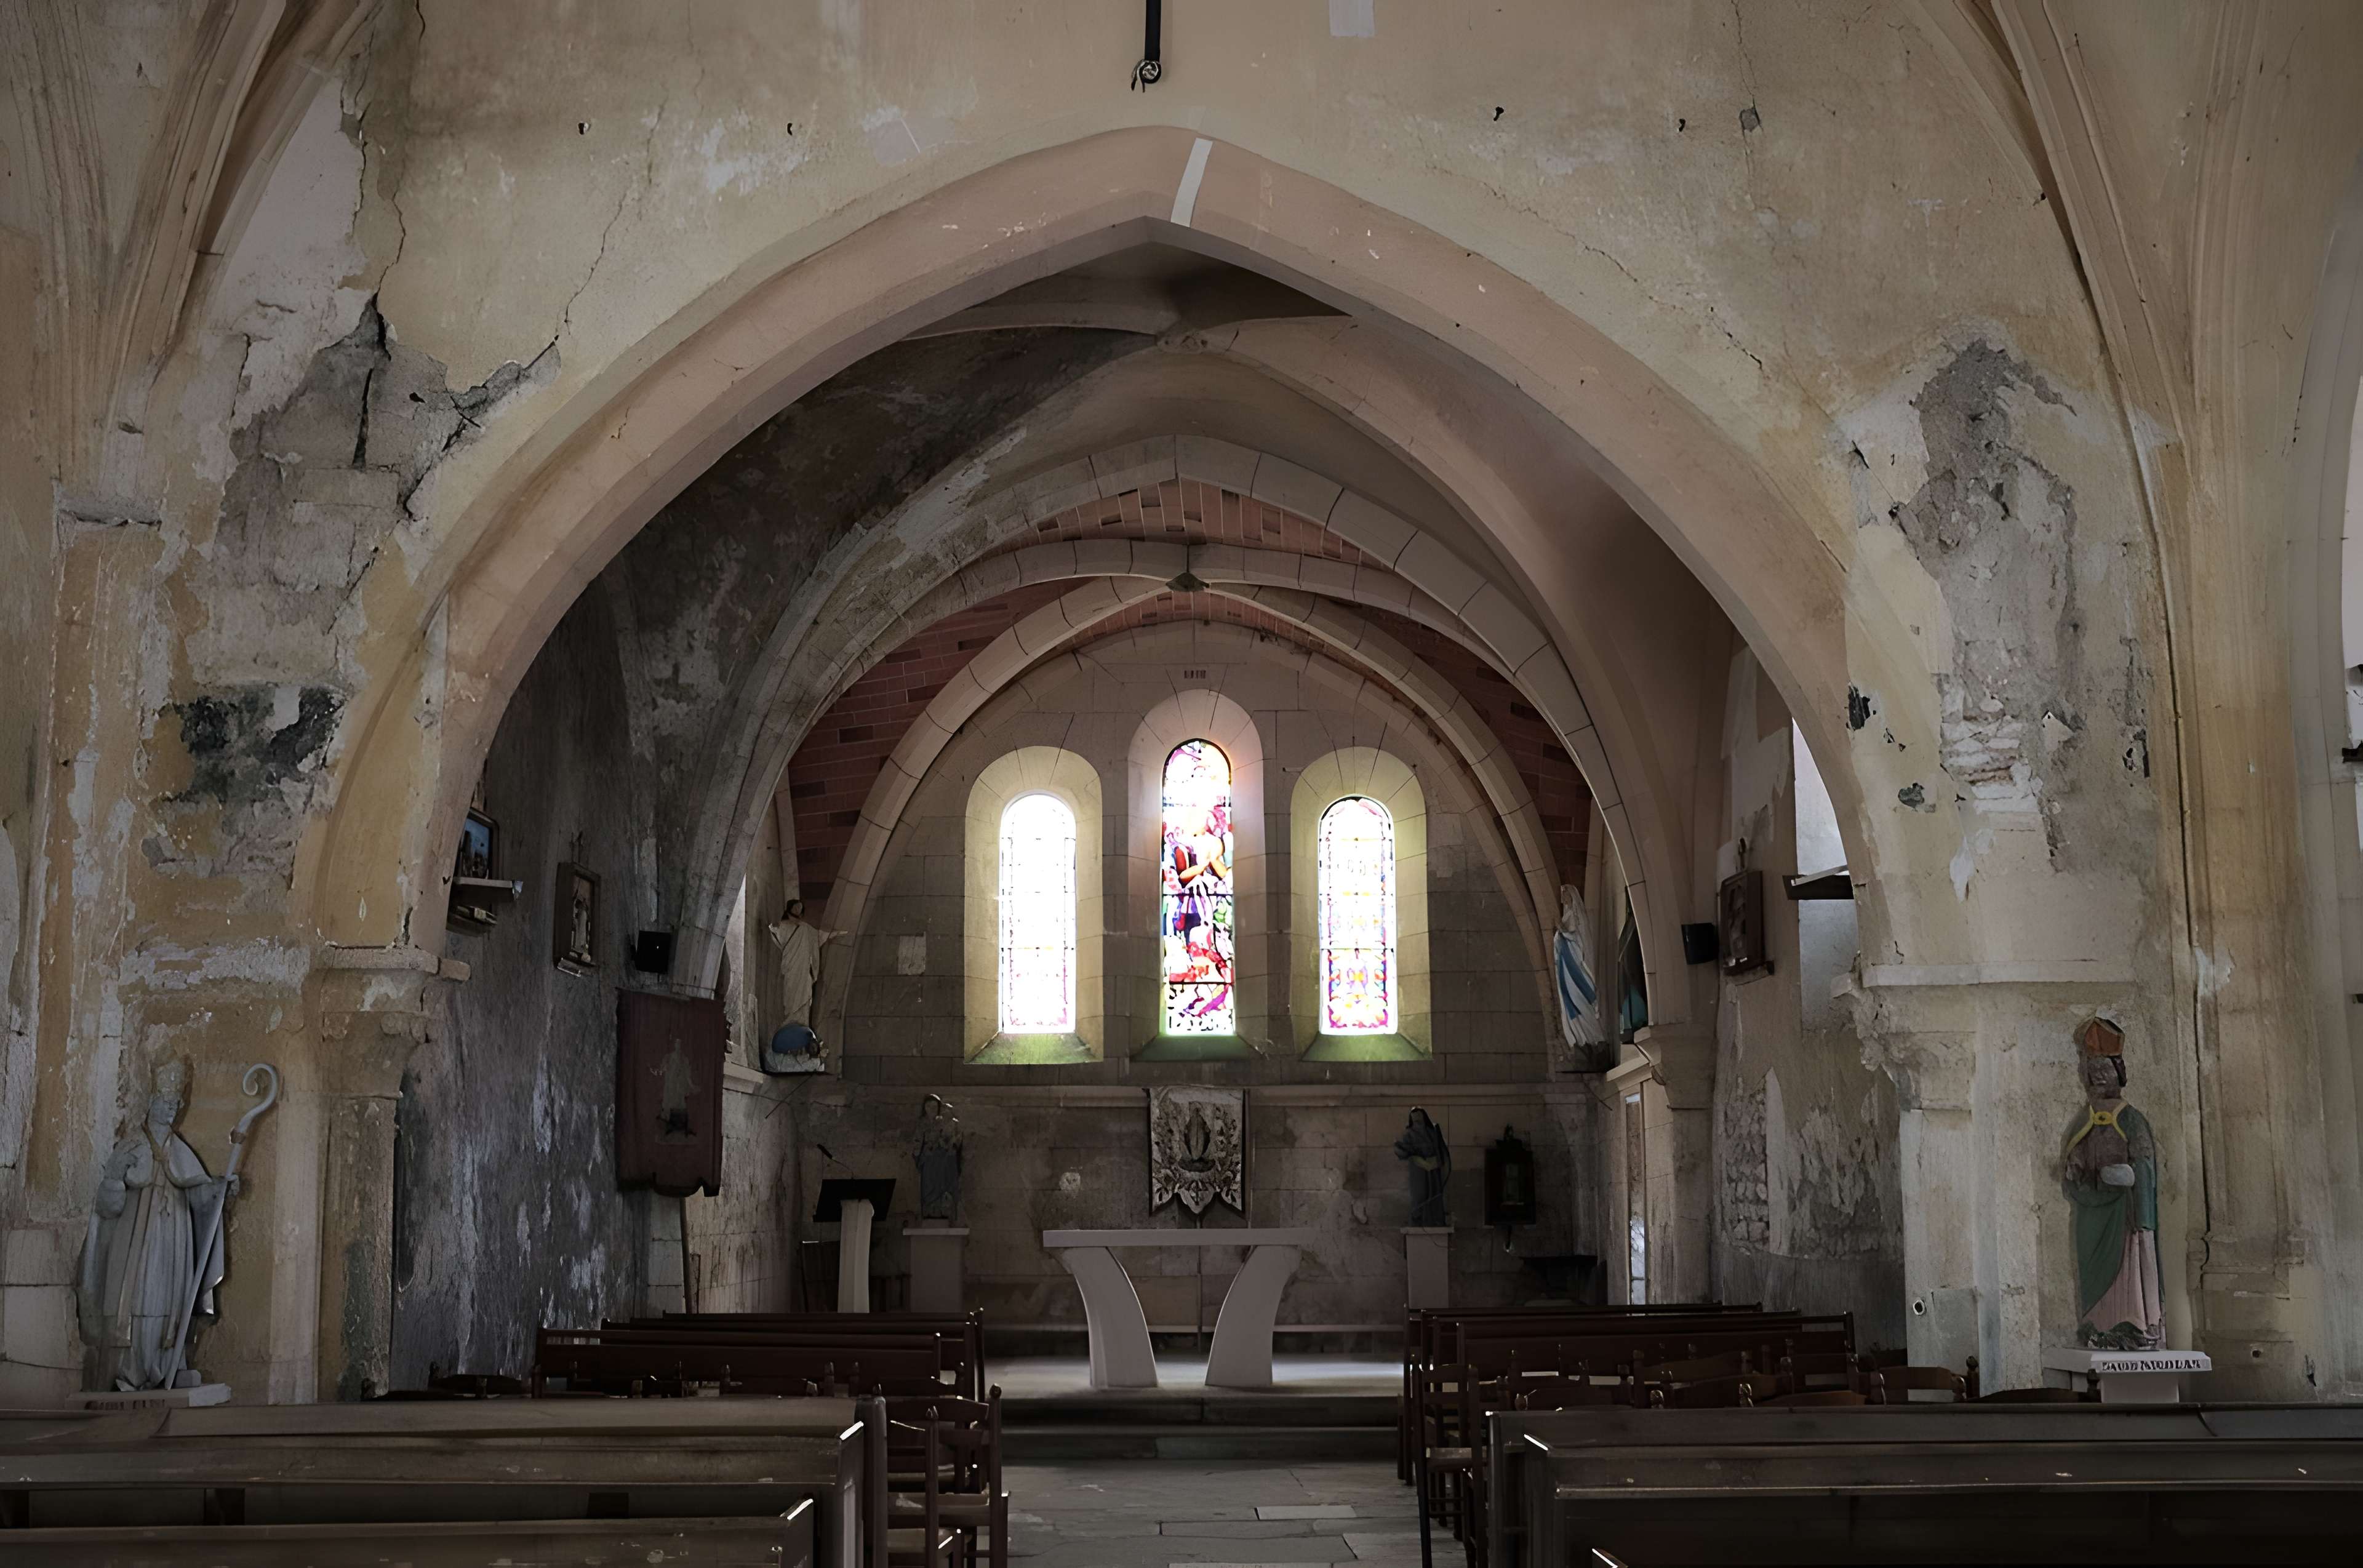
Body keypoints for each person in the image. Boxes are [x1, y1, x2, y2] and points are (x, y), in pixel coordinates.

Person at [78, 1060, 231, 1391]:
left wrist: (218, 1189)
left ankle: (165, 1368)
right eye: (165, 1101)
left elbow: (198, 1198)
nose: (171, 1109)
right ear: (150, 1103)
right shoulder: (131, 1146)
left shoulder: (180, 1151)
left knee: (169, 1301)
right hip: (135, 1240)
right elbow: (107, 1207)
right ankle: (129, 1372)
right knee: (133, 1301)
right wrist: (116, 1174)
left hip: (173, 1239)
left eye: (176, 1103)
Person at [2061, 1017, 2163, 1350]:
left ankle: (2134, 1323)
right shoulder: (2085, 1119)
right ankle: (2098, 1324)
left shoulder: (2131, 1119)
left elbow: (2144, 1165)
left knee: (2128, 1268)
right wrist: (2075, 1168)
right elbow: (2075, 1156)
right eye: (2092, 1068)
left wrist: (2129, 1176)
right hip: (2094, 1212)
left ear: (2118, 1070)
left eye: (2104, 1067)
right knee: (2094, 1268)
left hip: (2125, 1214)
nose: (2098, 1075)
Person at [766, 898, 847, 1031]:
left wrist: (836, 934)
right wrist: (773, 929)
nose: (797, 910)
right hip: (791, 969)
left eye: (800, 908)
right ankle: (789, 1031)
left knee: (804, 1001)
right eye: (795, 907)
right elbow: (777, 935)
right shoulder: (783, 926)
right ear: (790, 908)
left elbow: (820, 936)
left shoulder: (806, 929)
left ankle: (801, 1035)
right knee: (790, 1000)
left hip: (804, 972)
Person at [1395, 1106, 1451, 1228]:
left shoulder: (1432, 1132)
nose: (1418, 1125)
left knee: (1435, 1196)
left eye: (1420, 1122)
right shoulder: (1409, 1134)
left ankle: (1435, 1221)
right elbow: (1401, 1150)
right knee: (1419, 1196)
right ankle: (1418, 1221)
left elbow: (1441, 1151)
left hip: (1433, 1170)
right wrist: (1418, 1159)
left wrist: (1436, 1161)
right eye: (1415, 1122)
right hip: (1418, 1170)